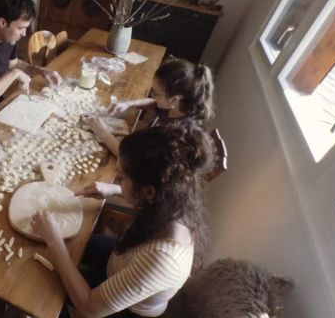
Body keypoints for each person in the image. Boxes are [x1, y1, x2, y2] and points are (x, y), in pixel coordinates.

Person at [31, 124, 213, 317]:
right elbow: (150, 200)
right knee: (70, 241)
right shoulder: (171, 203)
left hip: (122, 310)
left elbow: (89, 308)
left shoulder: (163, 259)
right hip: (122, 260)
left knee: (42, 287)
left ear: (148, 191)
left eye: (121, 178)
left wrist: (54, 241)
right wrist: (114, 190)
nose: (115, 179)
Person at [89, 56, 215, 157]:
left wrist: (102, 132)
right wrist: (129, 104)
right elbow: (155, 104)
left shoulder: (174, 137)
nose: (153, 96)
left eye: (157, 93)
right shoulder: (178, 107)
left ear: (174, 99)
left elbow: (129, 159)